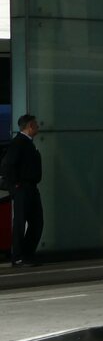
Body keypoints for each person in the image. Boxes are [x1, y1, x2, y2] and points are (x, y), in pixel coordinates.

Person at [2, 114, 43, 267]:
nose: (38, 126)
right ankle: (18, 256)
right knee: (20, 222)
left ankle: (26, 254)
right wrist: (15, 185)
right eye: (36, 124)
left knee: (37, 222)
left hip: (30, 187)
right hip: (23, 188)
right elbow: (7, 165)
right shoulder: (19, 143)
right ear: (30, 126)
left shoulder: (28, 143)